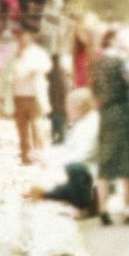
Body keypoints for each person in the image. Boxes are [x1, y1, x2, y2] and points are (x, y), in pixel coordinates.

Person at [90, 27, 129, 224]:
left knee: (105, 162)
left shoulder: (97, 63)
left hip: (106, 115)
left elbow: (95, 90)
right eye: (120, 39)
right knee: (127, 162)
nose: (124, 42)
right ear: (112, 41)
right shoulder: (119, 62)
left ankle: (103, 210)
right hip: (124, 115)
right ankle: (127, 209)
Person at [26, 88, 100, 216]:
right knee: (56, 186)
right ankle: (50, 195)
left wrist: (50, 162)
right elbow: (68, 148)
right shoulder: (83, 122)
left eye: (69, 107)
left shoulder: (90, 125)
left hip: (93, 172)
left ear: (79, 107)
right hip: (87, 169)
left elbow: (80, 155)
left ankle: (85, 206)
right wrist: (44, 155)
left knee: (73, 170)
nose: (66, 110)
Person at [10, 28, 53, 165]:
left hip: (34, 96)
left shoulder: (38, 53)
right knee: (22, 129)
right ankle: (26, 157)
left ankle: (40, 156)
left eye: (25, 38)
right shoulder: (14, 54)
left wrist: (33, 68)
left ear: (30, 38)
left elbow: (47, 66)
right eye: (20, 38)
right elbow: (8, 73)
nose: (22, 40)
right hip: (18, 95)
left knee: (37, 127)